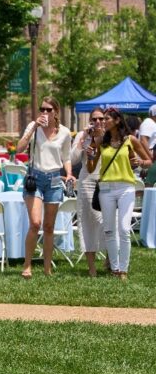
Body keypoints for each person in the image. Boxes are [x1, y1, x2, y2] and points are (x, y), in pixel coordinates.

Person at [88, 107, 152, 279]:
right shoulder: (102, 141)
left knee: (124, 228)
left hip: (126, 187)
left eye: (107, 118)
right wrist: (90, 156)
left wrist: (140, 161)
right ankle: (115, 269)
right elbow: (91, 168)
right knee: (109, 230)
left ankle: (123, 269)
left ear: (117, 121)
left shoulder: (130, 139)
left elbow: (149, 161)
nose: (103, 121)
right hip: (106, 188)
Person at [16, 97, 74, 278]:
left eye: (49, 109)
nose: (45, 113)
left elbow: (66, 157)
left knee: (49, 226)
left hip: (55, 179)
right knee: (35, 223)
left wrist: (70, 173)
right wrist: (34, 128)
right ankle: (27, 265)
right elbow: (19, 149)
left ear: (56, 111)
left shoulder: (65, 132)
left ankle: (47, 269)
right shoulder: (34, 127)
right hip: (35, 178)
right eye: (42, 109)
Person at [71, 108, 106, 277]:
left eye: (101, 118)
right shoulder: (82, 136)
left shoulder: (110, 135)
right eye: (94, 119)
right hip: (86, 181)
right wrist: (83, 138)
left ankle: (109, 258)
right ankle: (91, 267)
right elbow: (72, 159)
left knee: (106, 221)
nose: (98, 122)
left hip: (106, 181)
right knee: (86, 222)